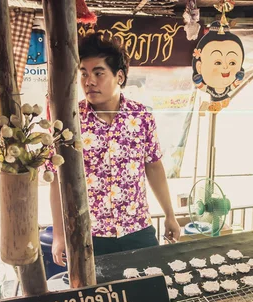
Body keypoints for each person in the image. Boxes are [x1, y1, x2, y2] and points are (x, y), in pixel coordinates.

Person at [50, 33, 181, 266]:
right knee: (96, 300)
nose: (89, 81)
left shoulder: (141, 116)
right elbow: (56, 180)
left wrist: (170, 215)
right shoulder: (70, 122)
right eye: (83, 74)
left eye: (98, 73)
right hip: (89, 235)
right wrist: (59, 236)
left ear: (119, 76)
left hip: (138, 229)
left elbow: (154, 166)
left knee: (150, 294)